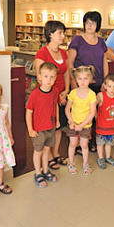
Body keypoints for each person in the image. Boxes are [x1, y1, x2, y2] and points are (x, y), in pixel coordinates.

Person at [68, 11, 108, 152]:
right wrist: (74, 83)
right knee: (81, 113)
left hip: (97, 83)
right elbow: (70, 62)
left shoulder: (102, 42)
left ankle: (91, 141)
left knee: (95, 114)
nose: (90, 26)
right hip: (81, 84)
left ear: (98, 25)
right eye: (87, 23)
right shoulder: (77, 40)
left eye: (93, 23)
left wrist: (106, 81)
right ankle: (78, 143)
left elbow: (104, 63)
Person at [34, 20, 69, 170]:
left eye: (63, 32)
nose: (63, 35)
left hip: (62, 95)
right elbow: (40, 77)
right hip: (47, 97)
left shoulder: (63, 52)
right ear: (50, 34)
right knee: (47, 128)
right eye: (60, 32)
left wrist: (66, 90)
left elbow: (66, 72)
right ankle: (47, 157)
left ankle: (55, 153)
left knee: (59, 126)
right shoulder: (42, 53)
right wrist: (56, 95)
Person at [26, 62, 59, 187]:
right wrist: (30, 129)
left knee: (47, 150)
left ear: (55, 78)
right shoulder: (34, 94)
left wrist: (57, 120)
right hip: (38, 129)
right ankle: (38, 172)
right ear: (39, 76)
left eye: (51, 77)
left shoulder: (54, 91)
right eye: (45, 76)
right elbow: (28, 112)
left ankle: (46, 170)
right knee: (38, 151)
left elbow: (54, 104)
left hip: (50, 127)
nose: (48, 80)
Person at [65, 66, 96, 175]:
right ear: (76, 79)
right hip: (73, 124)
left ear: (90, 79)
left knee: (84, 145)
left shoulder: (92, 94)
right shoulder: (73, 93)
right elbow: (67, 109)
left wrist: (82, 125)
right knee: (73, 144)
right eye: (80, 79)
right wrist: (71, 122)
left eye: (85, 79)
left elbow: (92, 113)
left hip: (86, 126)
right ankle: (71, 163)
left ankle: (85, 164)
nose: (82, 82)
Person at [96, 74, 114, 169]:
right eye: (109, 86)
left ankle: (108, 157)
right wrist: (94, 117)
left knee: (109, 144)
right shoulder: (101, 95)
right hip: (102, 126)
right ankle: (101, 158)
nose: (112, 89)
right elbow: (92, 107)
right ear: (105, 86)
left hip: (112, 127)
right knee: (100, 144)